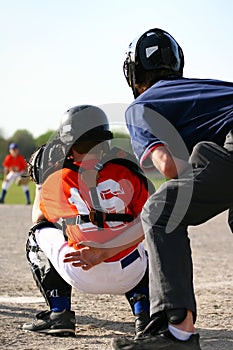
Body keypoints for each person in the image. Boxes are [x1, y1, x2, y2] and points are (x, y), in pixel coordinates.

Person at [112, 28, 233, 350]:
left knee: (161, 210)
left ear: (133, 73)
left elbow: (168, 167)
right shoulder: (212, 89)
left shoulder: (141, 106)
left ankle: (176, 333)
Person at [23, 105, 153, 337]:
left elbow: (39, 220)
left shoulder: (58, 179)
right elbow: (149, 221)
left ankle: (59, 313)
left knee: (38, 233)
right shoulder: (128, 170)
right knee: (144, 232)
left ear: (67, 147)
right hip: (130, 270)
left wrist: (40, 185)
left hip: (80, 269)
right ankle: (144, 314)